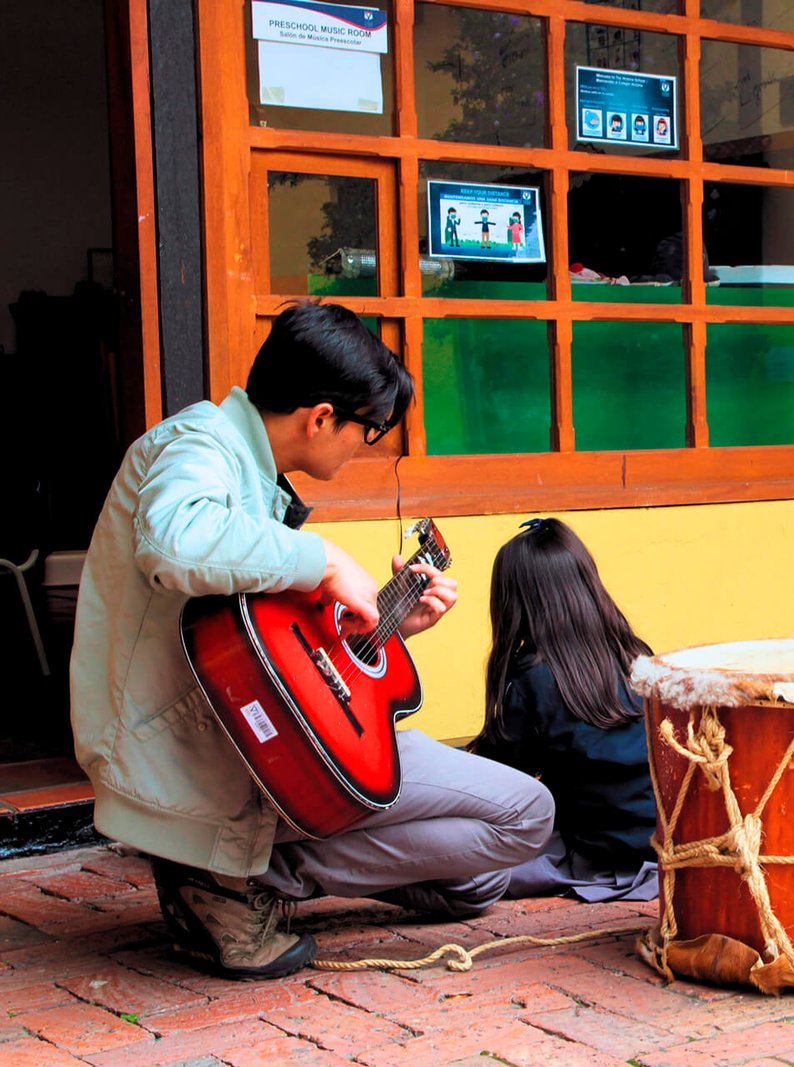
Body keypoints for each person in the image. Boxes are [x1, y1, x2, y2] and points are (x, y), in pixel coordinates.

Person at [69, 301, 554, 981]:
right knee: (526, 817)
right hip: (207, 751)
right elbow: (174, 540)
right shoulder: (196, 445)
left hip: (250, 735)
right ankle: (234, 871)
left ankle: (247, 867)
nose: (369, 445)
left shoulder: (252, 470)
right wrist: (325, 560)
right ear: (322, 415)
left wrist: (386, 620)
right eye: (371, 428)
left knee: (474, 886)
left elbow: (268, 650)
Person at [468, 517, 658, 902]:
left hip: (596, 853)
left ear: (514, 603)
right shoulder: (637, 655)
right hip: (657, 842)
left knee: (465, 869)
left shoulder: (529, 679)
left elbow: (498, 778)